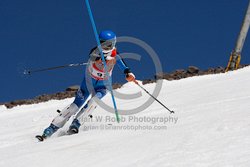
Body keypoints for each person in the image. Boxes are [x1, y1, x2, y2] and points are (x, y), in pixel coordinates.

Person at [36, 30, 136, 141]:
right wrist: (101, 59)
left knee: (93, 102)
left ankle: (76, 124)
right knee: (75, 105)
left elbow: (125, 67)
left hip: (103, 86)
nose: (106, 47)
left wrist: (128, 74)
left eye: (109, 44)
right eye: (103, 43)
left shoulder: (115, 55)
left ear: (114, 43)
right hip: (88, 83)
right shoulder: (95, 51)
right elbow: (92, 56)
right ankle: (51, 128)